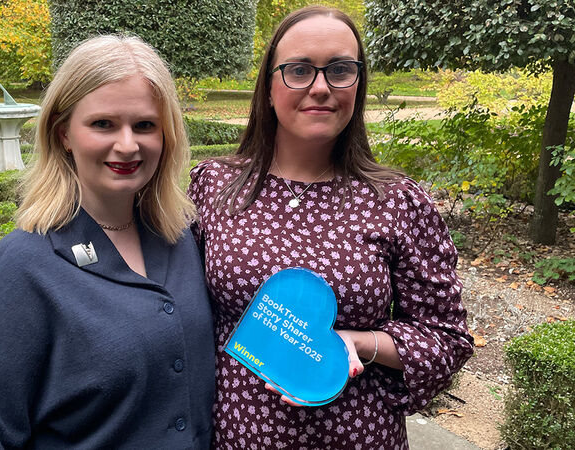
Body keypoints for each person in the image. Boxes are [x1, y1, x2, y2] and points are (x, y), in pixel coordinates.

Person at [188, 6, 473, 449]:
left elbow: (447, 337)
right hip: (234, 434)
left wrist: (361, 343)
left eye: (340, 70)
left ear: (358, 84)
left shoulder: (397, 201)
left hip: (355, 435)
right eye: (299, 70)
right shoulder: (214, 185)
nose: (320, 88)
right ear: (267, 87)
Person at [0, 35, 215, 449]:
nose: (127, 145)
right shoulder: (23, 265)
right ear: (64, 134)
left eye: (145, 125)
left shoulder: (182, 239)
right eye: (103, 124)